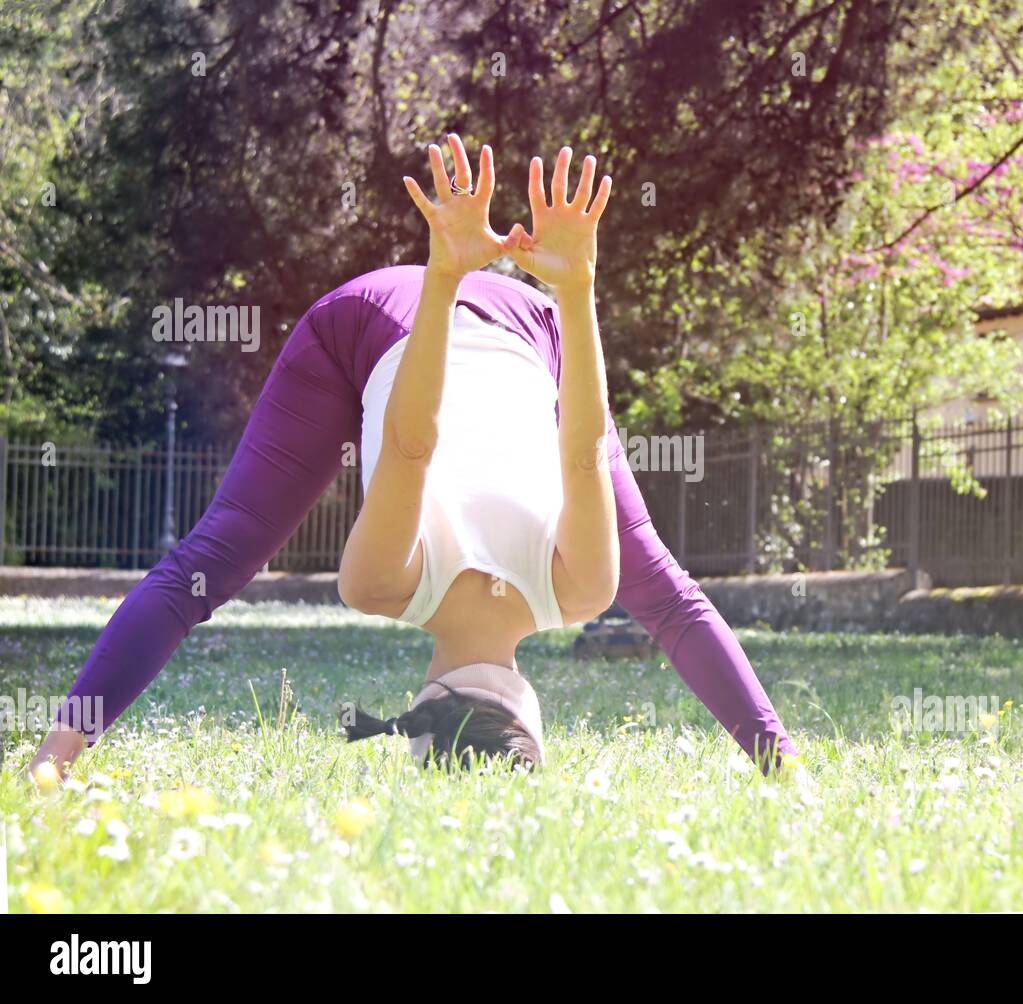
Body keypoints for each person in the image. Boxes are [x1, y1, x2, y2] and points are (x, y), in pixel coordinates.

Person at [29, 135, 798, 778]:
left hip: (530, 323)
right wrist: (442, 282)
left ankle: (785, 763)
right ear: (418, 711)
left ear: (531, 714)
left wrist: (574, 291)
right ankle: (51, 759)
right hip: (387, 320)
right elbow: (409, 446)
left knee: (661, 588)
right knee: (216, 556)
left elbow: (584, 448)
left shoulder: (581, 586)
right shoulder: (379, 587)